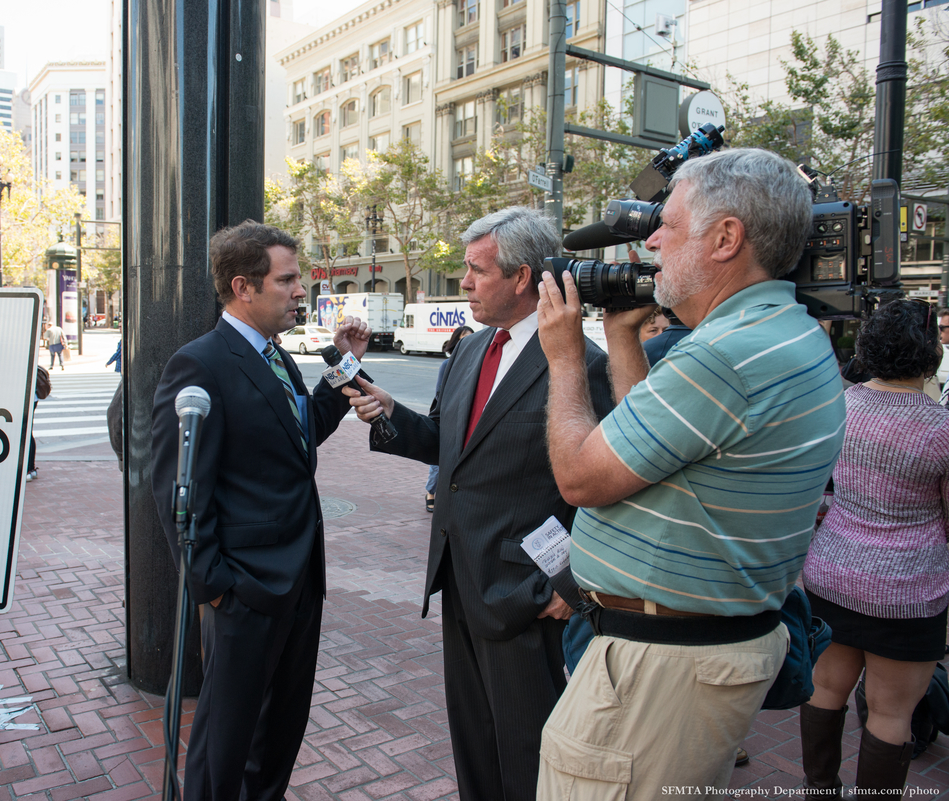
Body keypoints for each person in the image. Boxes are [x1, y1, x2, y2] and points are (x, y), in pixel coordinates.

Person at [532, 148, 847, 799]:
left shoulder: (724, 356)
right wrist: (622, 339)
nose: (649, 242)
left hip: (657, 669)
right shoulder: (781, 330)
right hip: (692, 652)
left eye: (666, 225)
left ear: (726, 237)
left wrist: (564, 356)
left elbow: (583, 478)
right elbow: (646, 447)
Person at [345, 206, 614, 801]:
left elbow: (603, 491)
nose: (463, 282)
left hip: (527, 595)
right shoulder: (470, 351)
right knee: (473, 739)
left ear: (521, 278)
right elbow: (451, 447)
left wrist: (567, 589)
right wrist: (392, 414)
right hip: (460, 578)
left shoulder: (580, 365)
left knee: (527, 750)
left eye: (475, 270)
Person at [149, 220, 371, 801]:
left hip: (300, 581)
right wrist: (214, 585)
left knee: (279, 737)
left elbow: (298, 440)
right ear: (244, 287)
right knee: (224, 747)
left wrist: (344, 365)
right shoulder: (200, 365)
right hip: (244, 590)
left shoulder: (278, 358)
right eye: (289, 279)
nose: (302, 290)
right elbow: (176, 486)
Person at [800, 299, 949, 795]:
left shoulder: (835, 404)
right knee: (891, 713)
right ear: (931, 354)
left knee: (823, 690)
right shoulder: (940, 428)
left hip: (832, 572)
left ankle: (819, 788)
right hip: (910, 590)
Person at [423, 325, 473, 512]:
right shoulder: (447, 364)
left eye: (470, 338)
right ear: (455, 342)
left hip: (468, 419)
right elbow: (440, 394)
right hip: (448, 417)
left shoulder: (477, 363)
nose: (467, 343)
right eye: (462, 339)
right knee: (439, 458)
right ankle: (431, 492)